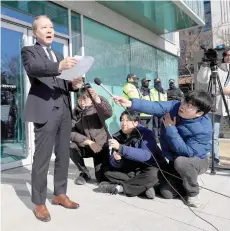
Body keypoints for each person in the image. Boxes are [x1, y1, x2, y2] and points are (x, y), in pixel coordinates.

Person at [21, 15, 82, 222]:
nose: (50, 30)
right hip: (45, 110)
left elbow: (63, 83)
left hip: (64, 109)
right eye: (44, 27)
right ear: (35, 32)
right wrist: (59, 66)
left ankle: (59, 194)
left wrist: (74, 84)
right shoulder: (29, 51)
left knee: (64, 154)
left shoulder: (57, 53)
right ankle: (39, 202)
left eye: (52, 27)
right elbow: (34, 70)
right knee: (42, 158)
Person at [112, 91, 212, 207]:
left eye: (189, 106)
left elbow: (188, 153)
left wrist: (170, 128)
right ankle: (186, 180)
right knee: (166, 192)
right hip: (173, 160)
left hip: (196, 161)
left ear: (199, 113)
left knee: (182, 162)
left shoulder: (203, 129)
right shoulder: (175, 106)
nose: (183, 106)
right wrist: (131, 103)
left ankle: (193, 191)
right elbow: (155, 106)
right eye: (185, 101)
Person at [97, 110, 166, 199]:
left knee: (154, 174)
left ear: (136, 123)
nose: (123, 123)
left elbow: (146, 155)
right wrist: (117, 160)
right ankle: (144, 187)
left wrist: (121, 148)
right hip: (132, 172)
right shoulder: (118, 136)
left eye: (127, 121)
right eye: (122, 120)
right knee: (107, 173)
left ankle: (119, 188)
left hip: (148, 168)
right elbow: (113, 161)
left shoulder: (146, 133)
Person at [69, 87, 112, 184]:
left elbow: (108, 113)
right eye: (79, 99)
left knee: (101, 179)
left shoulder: (98, 108)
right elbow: (70, 132)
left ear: (91, 99)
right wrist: (89, 142)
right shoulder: (75, 112)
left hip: (100, 148)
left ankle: (102, 172)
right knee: (71, 147)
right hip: (86, 146)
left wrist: (97, 98)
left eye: (84, 98)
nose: (81, 102)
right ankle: (84, 172)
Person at [197, 47, 230, 165]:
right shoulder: (217, 69)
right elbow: (202, 79)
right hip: (215, 104)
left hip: (229, 104)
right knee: (213, 133)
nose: (228, 57)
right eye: (226, 54)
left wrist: (228, 91)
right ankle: (215, 159)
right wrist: (205, 64)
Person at [151, 77, 167, 142]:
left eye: (159, 82)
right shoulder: (152, 90)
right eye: (156, 82)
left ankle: (160, 137)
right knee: (155, 125)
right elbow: (151, 100)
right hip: (155, 110)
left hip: (162, 110)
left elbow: (165, 99)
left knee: (161, 124)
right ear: (154, 83)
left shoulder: (163, 90)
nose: (158, 84)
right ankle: (156, 138)